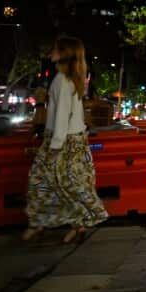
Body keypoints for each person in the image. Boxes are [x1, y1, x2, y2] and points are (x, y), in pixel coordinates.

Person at [22, 36, 109, 243]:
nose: (51, 52)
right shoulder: (72, 80)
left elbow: (62, 115)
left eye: (55, 49)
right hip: (74, 140)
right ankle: (69, 224)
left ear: (63, 53)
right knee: (68, 184)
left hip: (62, 141)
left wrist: (54, 146)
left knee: (41, 182)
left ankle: (41, 224)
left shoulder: (61, 81)